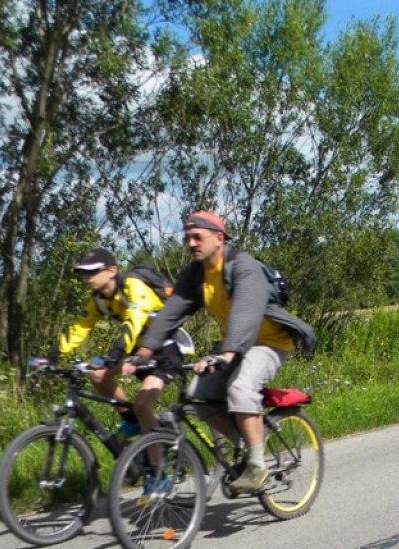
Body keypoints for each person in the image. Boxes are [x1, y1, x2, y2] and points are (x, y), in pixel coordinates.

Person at [129, 211, 315, 492]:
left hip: (268, 341)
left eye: (197, 237)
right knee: (196, 394)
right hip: (232, 344)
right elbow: (171, 312)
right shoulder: (196, 274)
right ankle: (242, 440)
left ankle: (256, 464)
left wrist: (227, 353)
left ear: (218, 238)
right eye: (187, 238)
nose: (191, 243)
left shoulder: (243, 266)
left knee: (240, 388)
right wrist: (143, 352)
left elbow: (246, 312)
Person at [37, 247, 172, 442]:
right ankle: (131, 419)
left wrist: (115, 354)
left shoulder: (133, 286)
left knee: (143, 406)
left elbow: (134, 321)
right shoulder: (98, 299)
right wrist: (53, 355)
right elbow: (79, 327)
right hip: (137, 349)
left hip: (165, 347)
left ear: (112, 271)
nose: (87, 276)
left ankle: (158, 470)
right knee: (97, 375)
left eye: (92, 271)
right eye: (84, 272)